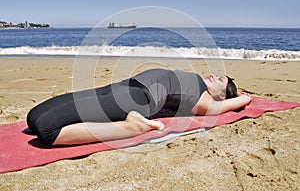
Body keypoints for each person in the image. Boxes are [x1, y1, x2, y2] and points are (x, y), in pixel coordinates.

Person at [27, 68, 251, 146]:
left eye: (219, 80)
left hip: (136, 99)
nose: (214, 76)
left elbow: (214, 110)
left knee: (47, 130)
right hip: (121, 87)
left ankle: (133, 127)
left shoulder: (204, 98)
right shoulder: (198, 82)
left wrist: (244, 99)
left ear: (220, 96)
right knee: (33, 117)